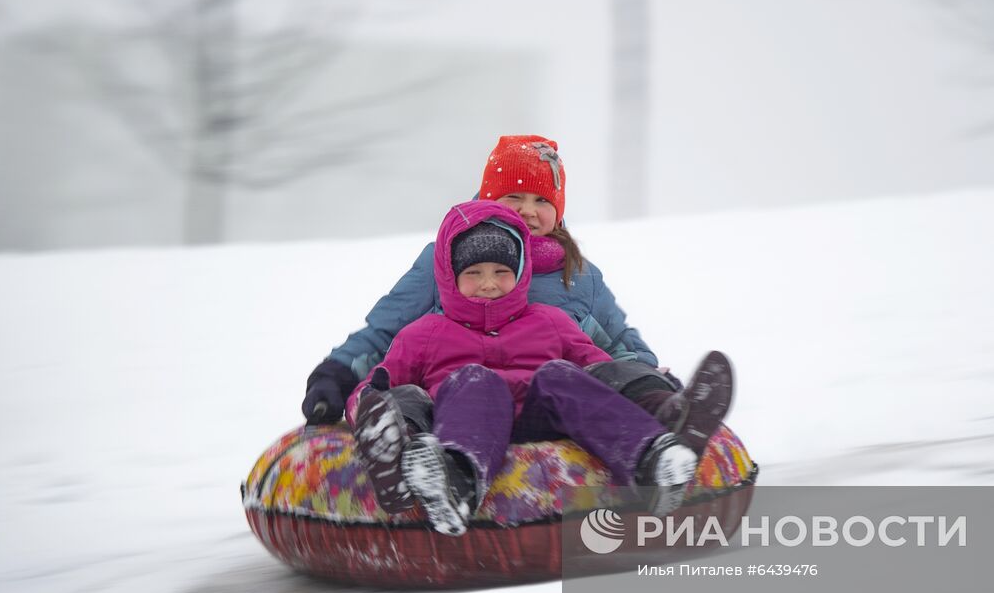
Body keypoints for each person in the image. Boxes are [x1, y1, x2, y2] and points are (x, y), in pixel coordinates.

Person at [346, 199, 734, 535]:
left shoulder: (548, 319)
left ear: (519, 273)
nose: (489, 284)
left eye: (501, 272)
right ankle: (445, 480)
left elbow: (596, 364)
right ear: (451, 277)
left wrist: (646, 385)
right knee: (469, 381)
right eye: (473, 273)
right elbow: (383, 381)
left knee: (563, 375)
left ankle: (654, 456)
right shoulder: (425, 332)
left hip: (539, 417)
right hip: (464, 423)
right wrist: (364, 409)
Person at [302, 135, 712, 451]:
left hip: (554, 409)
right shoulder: (446, 259)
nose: (528, 210)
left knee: (609, 374)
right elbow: (387, 333)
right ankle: (414, 451)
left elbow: (616, 345)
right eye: (513, 196)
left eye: (541, 200)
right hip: (466, 405)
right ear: (488, 198)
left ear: (559, 209)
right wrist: (336, 376)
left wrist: (645, 377)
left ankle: (667, 415)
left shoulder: (577, 275)